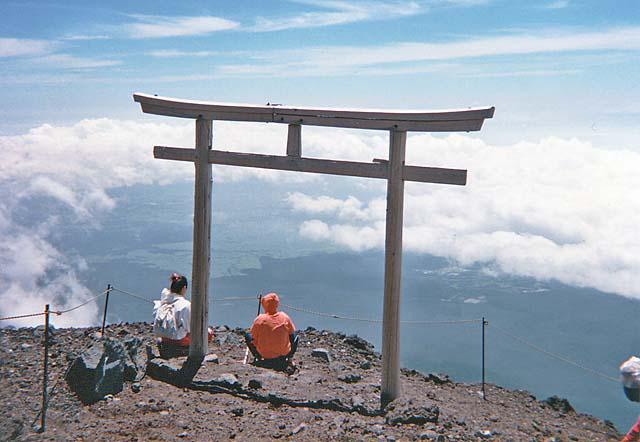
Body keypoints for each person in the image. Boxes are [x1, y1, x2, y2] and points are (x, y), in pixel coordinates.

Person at [153, 273, 213, 358]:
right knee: (208, 333)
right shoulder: (186, 305)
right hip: (178, 340)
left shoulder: (161, 303)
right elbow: (190, 328)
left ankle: (167, 347)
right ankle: (187, 351)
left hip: (164, 338)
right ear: (184, 288)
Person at [245, 292, 297, 372]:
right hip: (283, 354)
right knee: (294, 335)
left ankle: (258, 357)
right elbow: (292, 334)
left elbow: (253, 337)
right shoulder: (284, 317)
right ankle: (289, 358)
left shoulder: (260, 319)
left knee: (248, 335)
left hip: (265, 355)